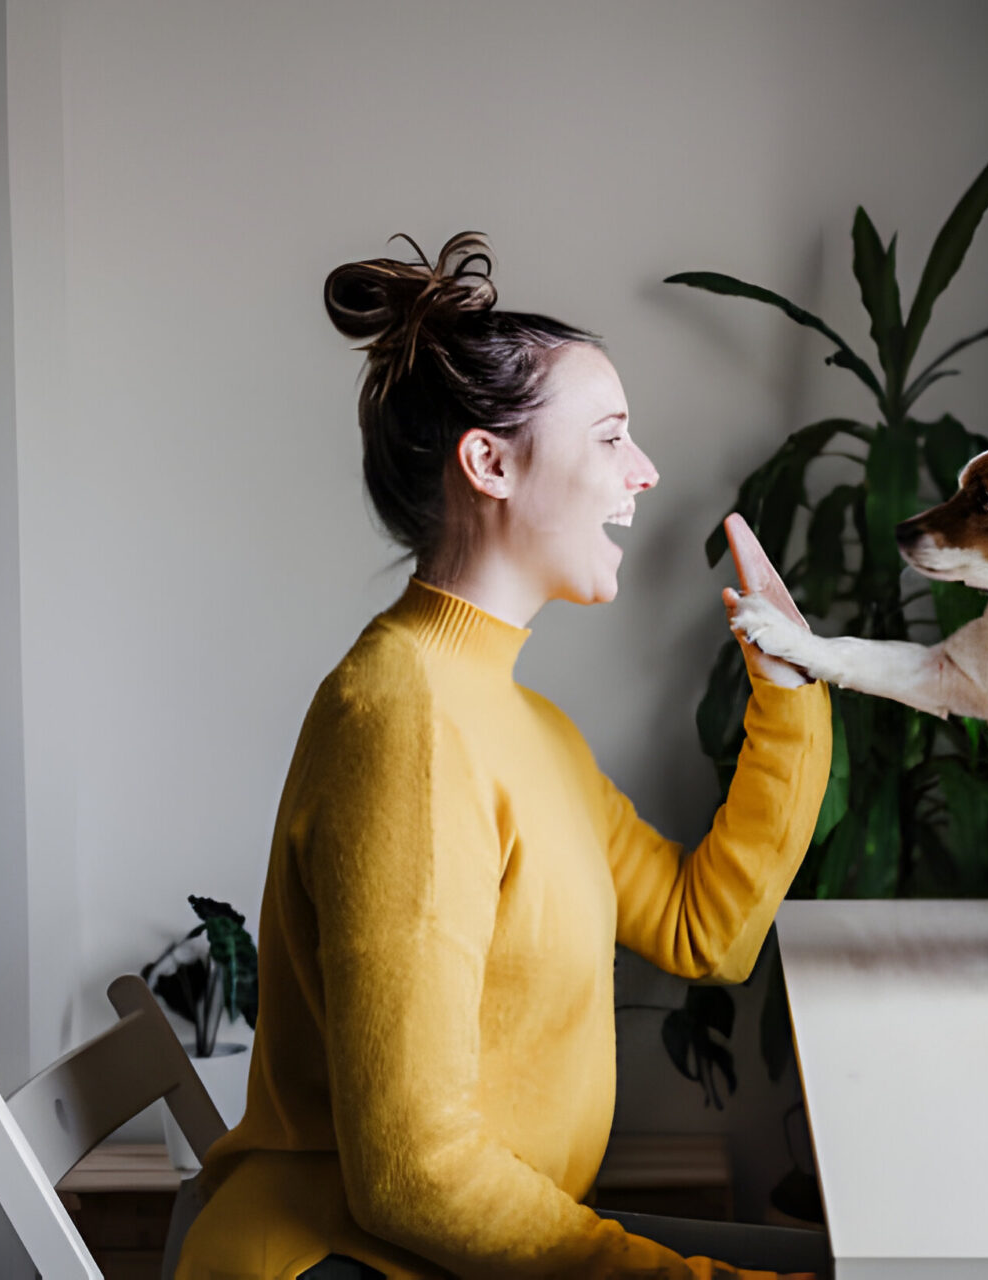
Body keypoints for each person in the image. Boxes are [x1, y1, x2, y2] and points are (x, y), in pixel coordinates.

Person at [174, 232, 833, 1280]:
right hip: (346, 1261)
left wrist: (790, 696)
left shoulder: (524, 725)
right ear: (488, 462)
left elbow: (710, 931)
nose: (645, 470)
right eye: (612, 435)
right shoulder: (406, 721)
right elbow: (414, 1175)